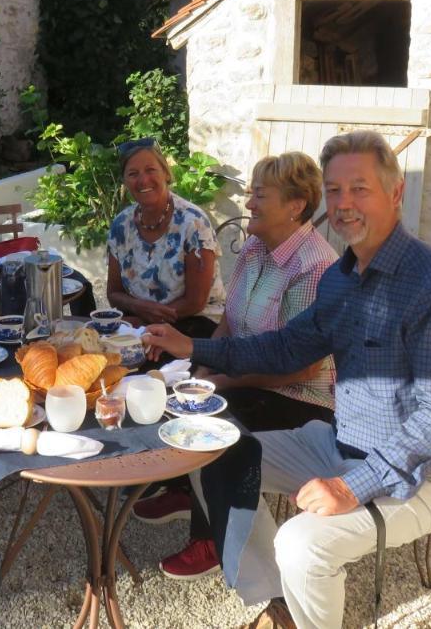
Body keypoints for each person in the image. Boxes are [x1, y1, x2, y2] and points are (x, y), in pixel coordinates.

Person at [144, 131, 431, 629]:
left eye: (359, 188)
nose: (344, 204)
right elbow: (285, 347)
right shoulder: (342, 277)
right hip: (342, 443)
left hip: (420, 477)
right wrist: (192, 346)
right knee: (207, 449)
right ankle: (280, 606)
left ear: (396, 192)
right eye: (336, 191)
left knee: (300, 544)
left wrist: (352, 486)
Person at [135, 152, 338, 582]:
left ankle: (213, 538)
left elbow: (299, 368)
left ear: (296, 204)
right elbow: (230, 320)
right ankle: (185, 488)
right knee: (179, 388)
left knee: (209, 416)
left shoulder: (315, 268)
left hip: (297, 398)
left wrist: (217, 381)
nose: (248, 204)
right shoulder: (255, 247)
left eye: (259, 195)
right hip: (246, 373)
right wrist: (202, 365)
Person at [107, 138, 226, 339]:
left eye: (150, 170)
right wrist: (137, 307)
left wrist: (147, 321)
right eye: (133, 174)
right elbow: (113, 293)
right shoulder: (121, 225)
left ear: (166, 174)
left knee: (137, 361)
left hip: (197, 322)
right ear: (125, 182)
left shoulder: (192, 223)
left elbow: (195, 302)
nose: (143, 180)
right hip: (141, 323)